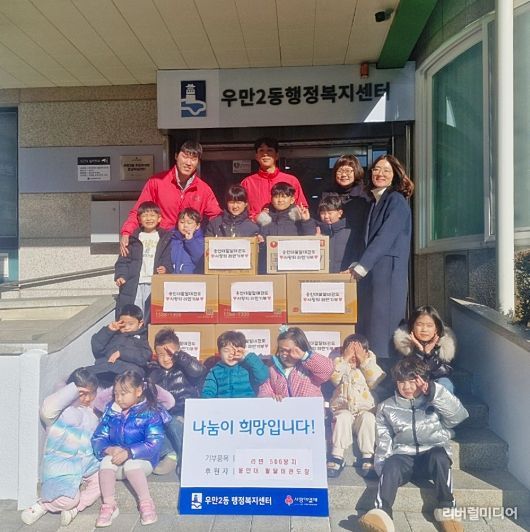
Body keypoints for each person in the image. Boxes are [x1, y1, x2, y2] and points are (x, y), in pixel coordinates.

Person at [359, 358, 468, 532]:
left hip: (430, 459)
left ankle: (447, 508)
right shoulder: (386, 407)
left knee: (440, 455)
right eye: (402, 382)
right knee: (392, 462)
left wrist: (434, 393)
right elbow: (384, 441)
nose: (407, 387)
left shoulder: (434, 401)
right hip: (404, 459)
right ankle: (381, 513)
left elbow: (459, 416)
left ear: (423, 380)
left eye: (412, 381)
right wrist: (384, 471)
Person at [350, 154, 414, 359]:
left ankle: (387, 371)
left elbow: (385, 236)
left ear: (395, 175)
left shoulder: (396, 200)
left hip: (388, 272)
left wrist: (363, 265)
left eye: (387, 170)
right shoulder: (375, 201)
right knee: (374, 324)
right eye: (377, 169)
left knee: (384, 325)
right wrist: (359, 262)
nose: (380, 174)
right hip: (376, 272)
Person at [20, 369, 101, 527]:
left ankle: (75, 509)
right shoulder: (60, 412)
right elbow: (47, 409)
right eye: (82, 394)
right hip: (60, 467)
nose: (87, 398)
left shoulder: (92, 415)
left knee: (104, 479)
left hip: (85, 466)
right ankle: (42, 505)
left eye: (91, 393)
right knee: (69, 500)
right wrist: (73, 390)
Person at [91, 370, 170, 527]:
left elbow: (154, 443)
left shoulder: (150, 412)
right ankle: (109, 505)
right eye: (116, 394)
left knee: (131, 464)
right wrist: (109, 449)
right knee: (106, 462)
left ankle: (146, 503)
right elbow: (98, 437)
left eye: (124, 393)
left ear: (138, 391)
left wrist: (129, 452)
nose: (119, 398)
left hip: (142, 462)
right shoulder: (112, 411)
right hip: (117, 462)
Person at [120, 140, 221, 256]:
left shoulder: (204, 189)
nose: (189, 163)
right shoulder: (156, 182)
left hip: (190, 247)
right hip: (161, 245)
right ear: (176, 156)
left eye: (194, 159)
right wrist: (127, 232)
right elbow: (139, 211)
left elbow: (217, 217)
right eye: (185, 157)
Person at [146, 328, 207, 475]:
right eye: (161, 355)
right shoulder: (154, 372)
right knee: (152, 423)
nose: (166, 358)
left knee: (172, 421)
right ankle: (170, 454)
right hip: (164, 413)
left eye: (170, 354)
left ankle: (187, 458)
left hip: (184, 412)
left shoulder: (185, 368)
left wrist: (179, 356)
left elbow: (199, 371)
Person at [327, 334, 385, 479]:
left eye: (358, 351)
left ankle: (368, 455)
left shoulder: (370, 364)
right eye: (350, 351)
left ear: (366, 352)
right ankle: (337, 455)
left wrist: (364, 361)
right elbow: (334, 379)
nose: (354, 355)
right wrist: (344, 359)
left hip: (363, 411)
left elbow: (375, 380)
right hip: (343, 409)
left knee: (369, 418)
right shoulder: (339, 364)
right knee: (342, 418)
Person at [114, 201, 173, 322]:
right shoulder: (133, 238)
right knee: (134, 313)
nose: (149, 218)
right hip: (135, 282)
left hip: (154, 282)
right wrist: (121, 275)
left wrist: (166, 268)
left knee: (151, 315)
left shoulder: (165, 238)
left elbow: (168, 258)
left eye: (152, 215)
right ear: (139, 219)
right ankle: (134, 333)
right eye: (145, 215)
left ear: (159, 218)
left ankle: (147, 333)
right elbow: (123, 260)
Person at [241, 137, 308, 220]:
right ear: (256, 156)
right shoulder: (247, 183)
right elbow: (240, 212)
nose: (265, 154)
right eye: (261, 150)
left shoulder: (291, 180)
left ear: (276, 156)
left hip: (286, 227)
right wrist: (256, 218)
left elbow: (302, 208)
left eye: (269, 150)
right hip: (256, 227)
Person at [393, 305, 456, 393]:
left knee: (445, 383)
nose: (424, 329)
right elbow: (403, 372)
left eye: (429, 326)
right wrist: (419, 351)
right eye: (419, 325)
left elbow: (445, 373)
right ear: (412, 326)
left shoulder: (444, 345)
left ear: (436, 328)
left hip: (434, 385)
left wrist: (429, 354)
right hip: (412, 384)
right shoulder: (404, 344)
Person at [258, 327, 333, 400]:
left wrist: (305, 356)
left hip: (309, 407)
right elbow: (264, 390)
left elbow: (327, 371)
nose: (284, 354)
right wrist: (271, 397)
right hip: (285, 408)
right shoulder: (273, 370)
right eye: (281, 350)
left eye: (289, 351)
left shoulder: (309, 368)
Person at [256, 182, 317, 273]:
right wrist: (258, 240)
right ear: (271, 199)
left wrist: (306, 221)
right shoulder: (265, 217)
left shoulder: (299, 215)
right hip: (269, 266)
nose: (280, 200)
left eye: (284, 197)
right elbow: (259, 240)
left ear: (292, 200)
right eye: (276, 197)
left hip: (293, 265)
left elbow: (310, 238)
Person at [88, 304, 151, 388]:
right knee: (81, 375)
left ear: (140, 324)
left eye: (131, 324)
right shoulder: (113, 335)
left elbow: (144, 356)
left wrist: (122, 353)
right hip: (105, 369)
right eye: (123, 324)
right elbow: (97, 348)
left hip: (127, 374)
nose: (127, 327)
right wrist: (108, 330)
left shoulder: (141, 339)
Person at [201, 331, 269, 398]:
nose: (231, 354)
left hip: (247, 404)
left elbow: (263, 377)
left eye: (236, 350)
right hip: (224, 404)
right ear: (219, 353)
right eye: (226, 350)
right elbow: (208, 391)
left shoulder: (249, 366)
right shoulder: (215, 371)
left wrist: (247, 355)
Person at [317, 193, 359, 273]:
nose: (326, 216)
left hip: (344, 275)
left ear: (340, 213)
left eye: (330, 213)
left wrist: (352, 267)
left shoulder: (350, 232)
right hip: (323, 276)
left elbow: (356, 253)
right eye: (322, 213)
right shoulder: (319, 231)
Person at [170, 207, 205, 274]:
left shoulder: (201, 241)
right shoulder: (171, 240)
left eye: (189, 223)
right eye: (182, 222)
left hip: (192, 278)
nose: (185, 225)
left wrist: (190, 241)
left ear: (197, 226)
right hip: (172, 278)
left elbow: (200, 260)